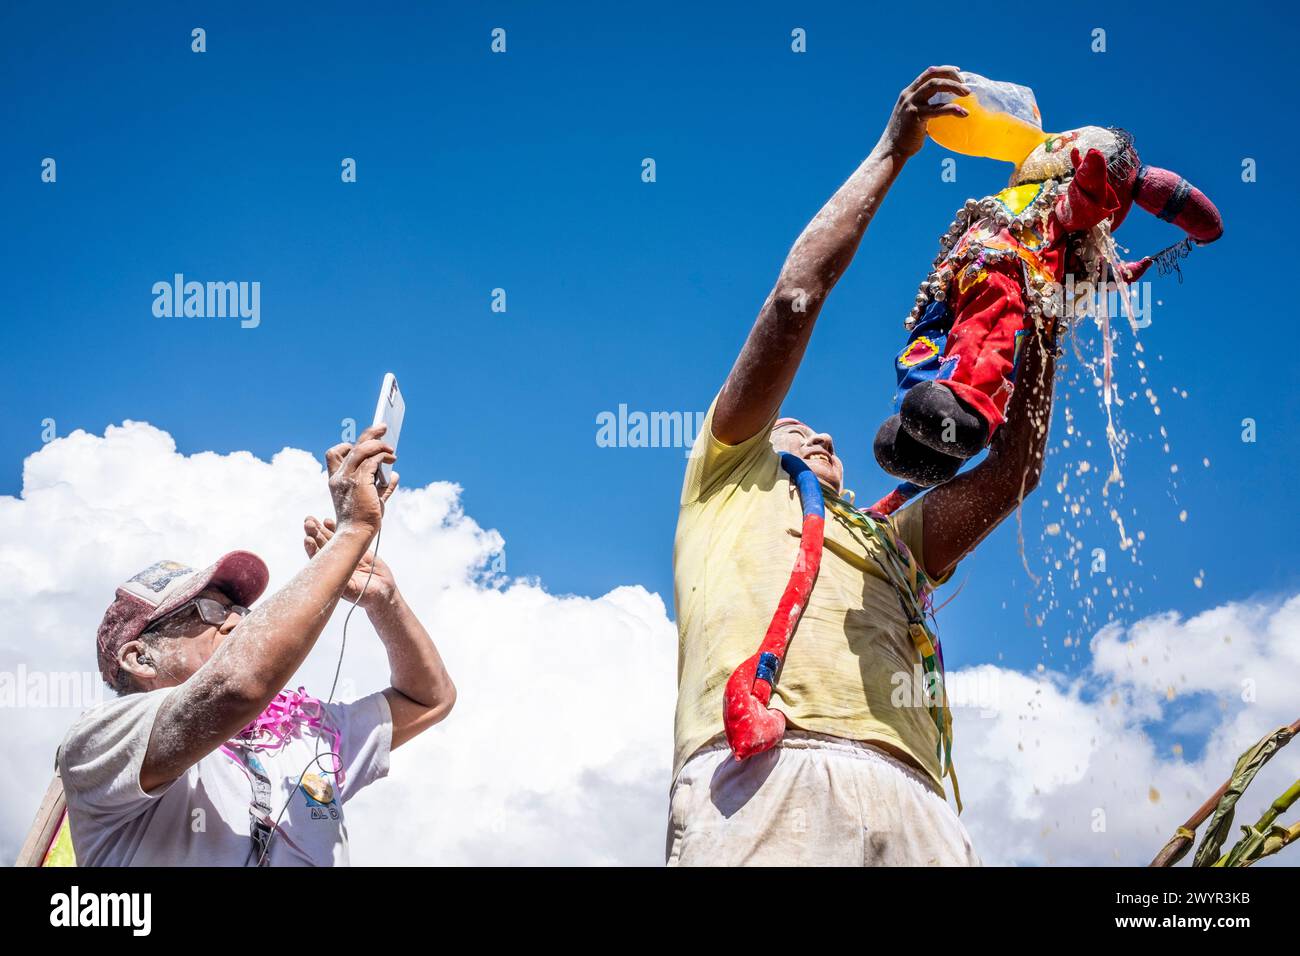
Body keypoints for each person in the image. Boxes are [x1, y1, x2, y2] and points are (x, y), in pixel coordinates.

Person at [668, 67, 1058, 866]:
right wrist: (892, 152)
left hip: (916, 793)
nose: (814, 438)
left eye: (824, 437)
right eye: (793, 430)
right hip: (770, 766)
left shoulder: (894, 541)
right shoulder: (726, 479)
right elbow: (795, 298)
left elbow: (1016, 467)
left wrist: (1044, 296)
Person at [57, 424, 456, 866]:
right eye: (209, 610)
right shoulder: (102, 738)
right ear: (140, 657)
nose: (235, 621)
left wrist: (386, 602)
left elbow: (429, 699)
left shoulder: (304, 733)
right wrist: (352, 532)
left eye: (240, 611)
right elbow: (236, 687)